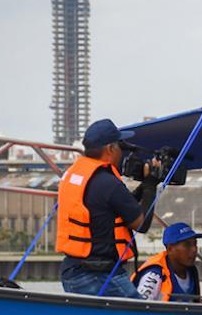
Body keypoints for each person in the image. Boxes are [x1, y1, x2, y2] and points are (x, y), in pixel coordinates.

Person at [56, 119, 161, 298]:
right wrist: (151, 185)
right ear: (110, 149)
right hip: (97, 275)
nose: (122, 152)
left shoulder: (78, 176)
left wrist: (144, 187)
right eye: (120, 146)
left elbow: (114, 206)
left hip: (72, 272)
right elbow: (141, 224)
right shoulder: (109, 183)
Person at [133, 222, 202, 302]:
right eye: (187, 245)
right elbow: (141, 309)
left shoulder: (192, 272)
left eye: (195, 244)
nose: (194, 249)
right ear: (170, 249)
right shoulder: (154, 275)